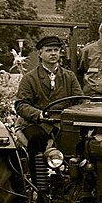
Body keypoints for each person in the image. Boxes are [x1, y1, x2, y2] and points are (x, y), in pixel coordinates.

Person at [14, 36, 83, 183]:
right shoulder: (30, 78)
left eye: (56, 50)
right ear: (40, 53)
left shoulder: (69, 77)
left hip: (63, 124)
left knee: (84, 142)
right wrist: (39, 114)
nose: (53, 54)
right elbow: (21, 105)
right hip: (37, 124)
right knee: (37, 141)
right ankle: (38, 185)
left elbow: (80, 100)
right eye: (49, 50)